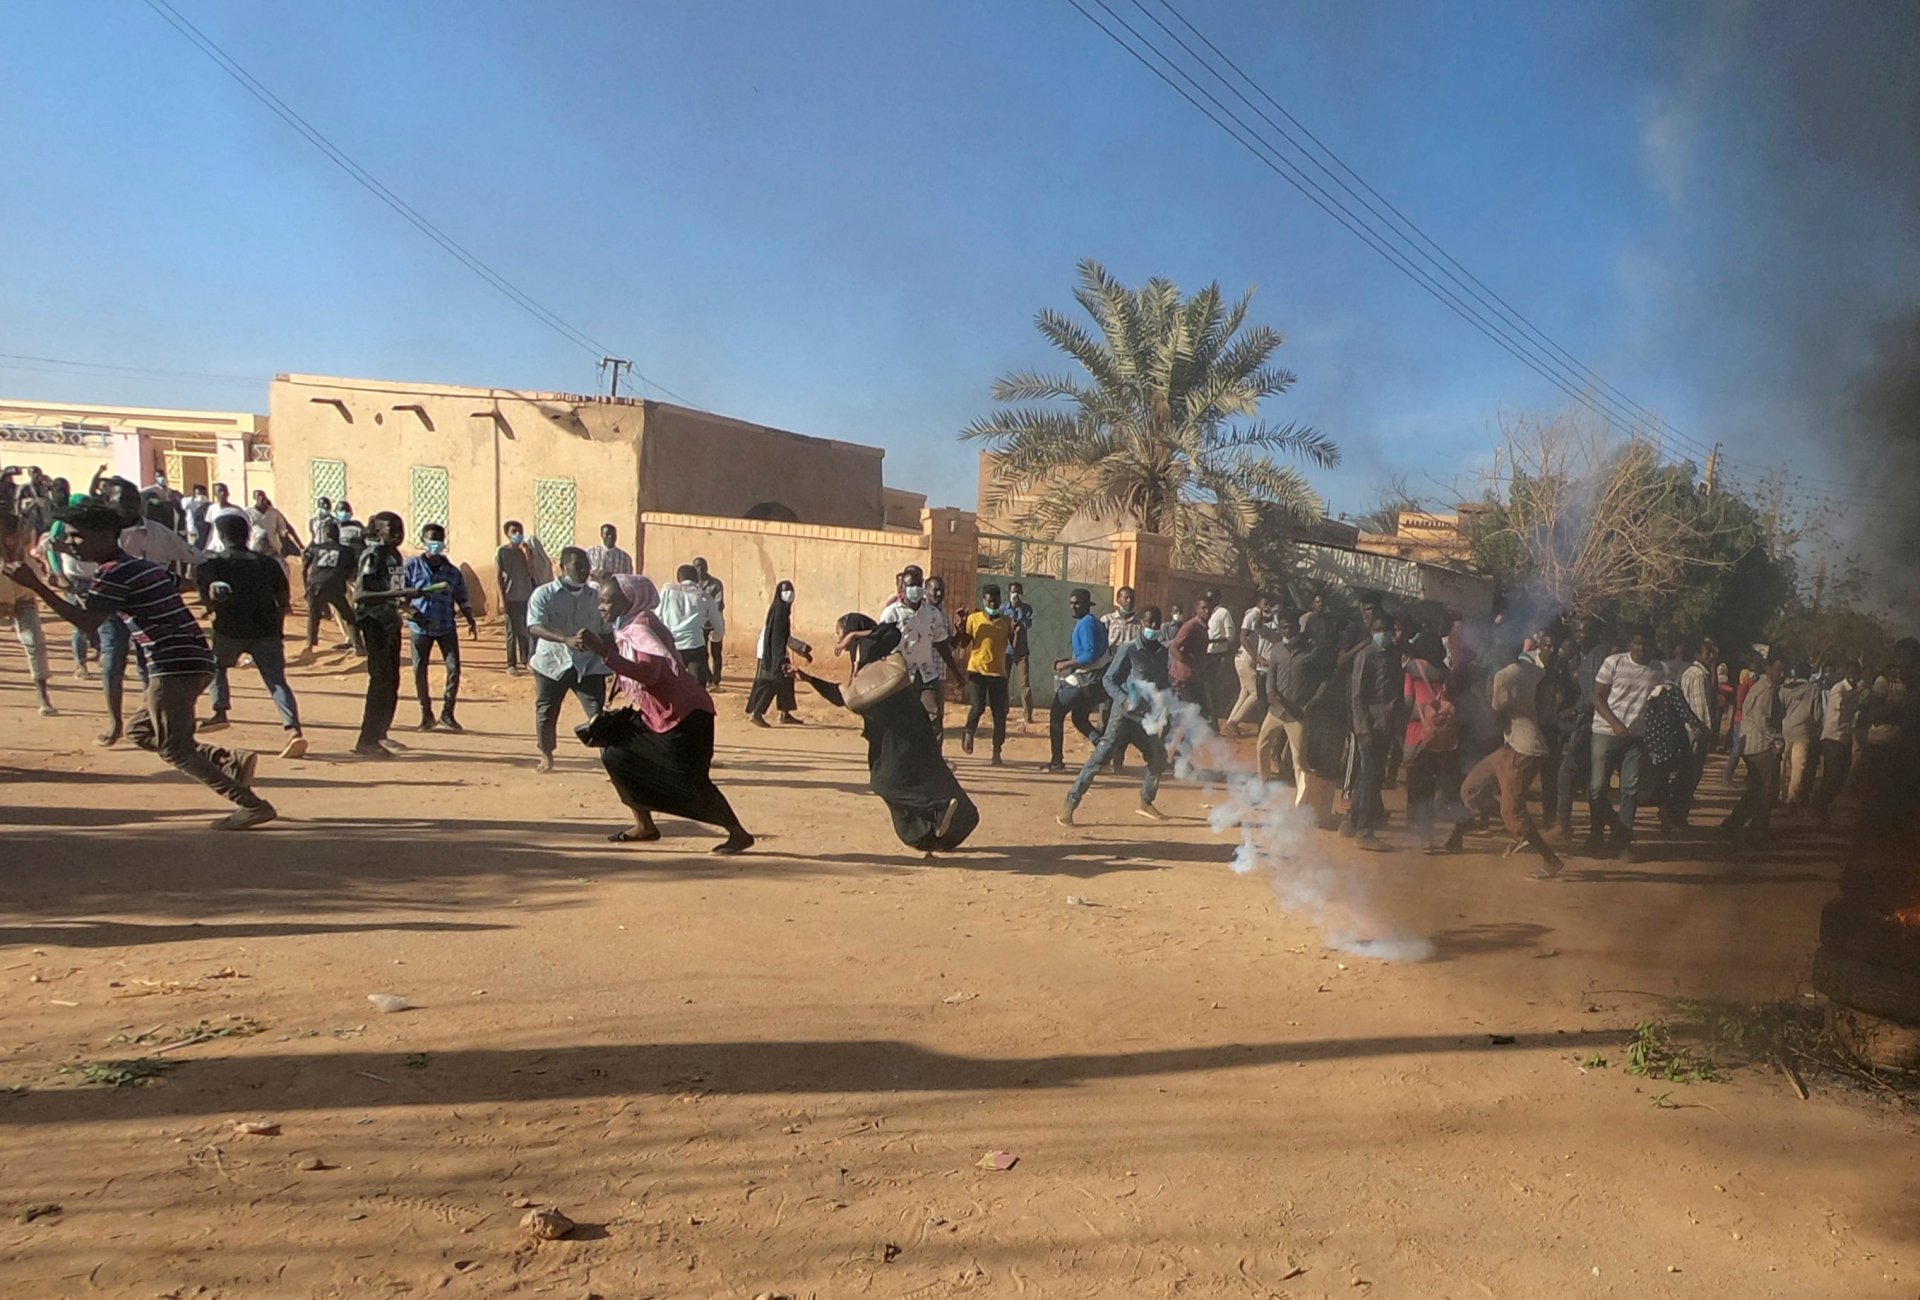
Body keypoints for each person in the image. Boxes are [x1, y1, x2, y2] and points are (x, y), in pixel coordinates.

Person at [5, 501, 275, 828]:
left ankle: (251, 804)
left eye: (78, 537)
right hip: (191, 658)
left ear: (105, 536)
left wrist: (36, 586)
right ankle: (226, 761)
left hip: (172, 662)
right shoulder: (137, 566)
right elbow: (180, 583)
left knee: (174, 750)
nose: (71, 543)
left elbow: (88, 621)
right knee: (140, 730)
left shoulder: (114, 574)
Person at [580, 575, 754, 854]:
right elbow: (630, 662)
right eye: (601, 600)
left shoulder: (643, 626)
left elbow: (650, 673)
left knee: (691, 781)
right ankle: (644, 825)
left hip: (686, 715)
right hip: (659, 715)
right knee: (616, 753)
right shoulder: (627, 626)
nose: (601, 606)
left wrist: (602, 652)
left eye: (607, 600)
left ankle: (737, 833)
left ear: (630, 600)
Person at [794, 614, 978, 852]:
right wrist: (809, 679)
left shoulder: (875, 648)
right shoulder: (862, 663)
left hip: (904, 733)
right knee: (921, 780)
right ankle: (945, 832)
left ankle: (940, 809)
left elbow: (891, 632)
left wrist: (856, 635)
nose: (839, 639)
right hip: (894, 734)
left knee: (885, 783)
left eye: (840, 632)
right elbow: (845, 698)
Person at [1441, 645, 1563, 877]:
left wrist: (1484, 689)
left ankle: (1550, 859)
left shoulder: (1503, 676)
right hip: (1512, 745)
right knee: (1471, 789)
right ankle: (1513, 826)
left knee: (1512, 812)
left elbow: (1495, 709)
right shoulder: (1529, 669)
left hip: (1524, 749)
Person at [195, 512, 306, 757]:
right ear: (247, 534)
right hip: (266, 630)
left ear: (222, 536)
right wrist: (277, 628)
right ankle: (293, 730)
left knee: (217, 667)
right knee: (277, 682)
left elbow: (206, 595)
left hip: (229, 629)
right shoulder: (267, 563)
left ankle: (220, 711)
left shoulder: (214, 562)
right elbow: (283, 599)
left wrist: (213, 609)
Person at [1059, 605, 1173, 825]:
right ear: (1141, 623)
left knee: (1157, 757)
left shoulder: (1161, 653)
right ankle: (1070, 803)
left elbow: (1162, 683)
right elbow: (1108, 680)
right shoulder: (1128, 650)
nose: (1153, 627)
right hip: (1122, 718)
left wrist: (1165, 704)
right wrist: (1124, 700)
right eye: (1149, 623)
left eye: (1157, 624)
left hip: (1144, 719)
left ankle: (1146, 801)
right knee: (1099, 759)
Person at [527, 546, 609, 773]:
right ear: (562, 567)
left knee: (598, 714)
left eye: (586, 566)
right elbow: (534, 626)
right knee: (547, 710)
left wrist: (610, 656)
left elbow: (605, 629)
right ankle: (546, 754)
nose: (584, 570)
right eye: (578, 566)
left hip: (589, 665)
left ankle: (610, 761)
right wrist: (565, 639)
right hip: (552, 663)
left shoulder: (595, 595)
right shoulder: (543, 594)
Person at [1588, 624, 1667, 860]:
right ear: (1629, 643)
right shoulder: (1614, 663)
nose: (1641, 648)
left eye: (1645, 643)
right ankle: (1601, 832)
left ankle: (1623, 843)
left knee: (1630, 791)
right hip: (1605, 731)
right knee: (1596, 789)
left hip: (1637, 738)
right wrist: (1615, 724)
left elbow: (1657, 702)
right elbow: (1597, 696)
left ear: (1653, 645)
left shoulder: (1659, 670)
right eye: (1637, 642)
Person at [350, 511, 422, 759]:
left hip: (390, 623)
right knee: (380, 679)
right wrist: (396, 596)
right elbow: (361, 595)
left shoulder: (395, 556)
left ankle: (380, 733)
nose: (398, 533)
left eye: (400, 528)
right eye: (391, 529)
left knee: (392, 681)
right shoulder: (374, 555)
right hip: (373, 622)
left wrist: (411, 609)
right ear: (378, 530)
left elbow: (397, 593)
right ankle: (366, 739)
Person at [874, 564, 966, 752]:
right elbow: (878, 643)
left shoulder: (932, 614)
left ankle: (933, 760)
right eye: (910, 586)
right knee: (900, 719)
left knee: (934, 717)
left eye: (917, 585)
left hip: (927, 674)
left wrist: (956, 673)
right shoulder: (892, 613)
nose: (914, 589)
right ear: (903, 588)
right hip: (900, 676)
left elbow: (942, 645)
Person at [405, 524, 477, 732]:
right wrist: (415, 615)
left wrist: (470, 619)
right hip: (420, 627)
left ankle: (448, 712)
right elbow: (402, 598)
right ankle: (425, 713)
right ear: (423, 541)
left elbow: (462, 598)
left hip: (446, 625)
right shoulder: (411, 567)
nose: (435, 544)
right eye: (431, 540)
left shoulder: (452, 572)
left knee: (454, 668)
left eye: (438, 540)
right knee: (420, 670)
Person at [1400, 630, 1459, 849]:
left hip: (1417, 730)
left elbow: (1408, 700)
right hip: (1439, 733)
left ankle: (1415, 825)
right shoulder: (1444, 670)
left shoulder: (1413, 667)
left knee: (1415, 779)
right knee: (1430, 782)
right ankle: (1426, 831)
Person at [1724, 651, 1788, 852]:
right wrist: (1776, 739)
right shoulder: (1767, 689)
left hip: (1750, 744)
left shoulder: (1760, 686)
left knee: (1756, 790)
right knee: (1768, 791)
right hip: (1760, 746)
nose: (1782, 674)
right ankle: (1756, 832)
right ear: (1769, 667)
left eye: (1784, 670)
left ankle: (1733, 825)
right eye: (1779, 669)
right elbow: (1762, 720)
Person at [1344, 612, 1398, 843]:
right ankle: (1364, 829)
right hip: (1369, 726)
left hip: (1386, 725)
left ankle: (1353, 821)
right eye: (1378, 630)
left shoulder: (1393, 656)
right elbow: (1357, 696)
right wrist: (1363, 729)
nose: (1382, 634)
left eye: (1386, 630)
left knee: (1370, 775)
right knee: (1370, 776)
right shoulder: (1365, 656)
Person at [1257, 614, 1321, 804]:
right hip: (1276, 710)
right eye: (1284, 627)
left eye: (1291, 626)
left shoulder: (1311, 651)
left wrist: (1313, 701)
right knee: (1262, 744)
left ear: (1297, 627)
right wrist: (1270, 693)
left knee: (1300, 759)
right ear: (1281, 629)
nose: (1288, 631)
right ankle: (1263, 784)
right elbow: (1271, 676)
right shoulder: (1277, 649)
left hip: (1297, 713)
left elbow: (1320, 679)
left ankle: (1301, 801)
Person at [1044, 587, 1109, 772]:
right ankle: (1104, 750)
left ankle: (1057, 761)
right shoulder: (1093, 622)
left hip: (1086, 678)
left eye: (1077, 603)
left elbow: (1089, 655)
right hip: (1095, 680)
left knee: (1056, 714)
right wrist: (1069, 661)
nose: (1073, 607)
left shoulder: (1086, 623)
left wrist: (1065, 664)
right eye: (1071, 603)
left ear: (1087, 605)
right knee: (1079, 718)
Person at [0, 510, 56, 716]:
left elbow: (36, 579)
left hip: (23, 600)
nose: (11, 540)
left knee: (35, 642)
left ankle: (43, 695)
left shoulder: (24, 554)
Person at [745, 579, 811, 726]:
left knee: (786, 680)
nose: (789, 594)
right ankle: (757, 712)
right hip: (771, 654)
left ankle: (785, 713)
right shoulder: (780, 611)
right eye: (786, 591)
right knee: (772, 682)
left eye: (791, 590)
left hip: (776, 651)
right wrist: (779, 659)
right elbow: (777, 637)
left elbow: (783, 636)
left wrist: (802, 649)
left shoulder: (780, 609)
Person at [1671, 637, 1720, 829]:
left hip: (1688, 730)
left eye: (1711, 652)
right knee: (1690, 774)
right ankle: (1676, 814)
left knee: (1687, 774)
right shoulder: (1698, 675)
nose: (1710, 656)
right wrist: (1706, 730)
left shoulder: (1695, 673)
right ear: (1697, 655)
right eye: (1706, 653)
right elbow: (1701, 708)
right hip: (1695, 731)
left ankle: (1675, 813)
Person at [961, 583, 1013, 763]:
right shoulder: (973, 619)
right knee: (978, 707)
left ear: (1000, 600)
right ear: (984, 600)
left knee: (1000, 713)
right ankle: (969, 732)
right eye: (989, 600)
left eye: (995, 600)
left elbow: (1017, 646)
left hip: (998, 674)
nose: (992, 603)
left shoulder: (1007, 622)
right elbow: (963, 644)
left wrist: (1020, 631)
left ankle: (997, 750)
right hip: (977, 671)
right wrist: (961, 627)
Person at [658, 563, 727, 685]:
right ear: (697, 579)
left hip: (672, 647)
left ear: (679, 579)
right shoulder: (704, 596)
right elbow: (718, 626)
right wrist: (715, 637)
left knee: (671, 687)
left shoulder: (667, 592)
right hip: (695, 646)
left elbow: (658, 616)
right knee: (697, 691)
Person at [1814, 661, 1863, 825]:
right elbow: (1840, 707)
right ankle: (1819, 806)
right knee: (1832, 775)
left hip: (1845, 738)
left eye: (1856, 673)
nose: (1853, 676)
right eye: (1850, 672)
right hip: (1832, 737)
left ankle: (1821, 804)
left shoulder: (1855, 690)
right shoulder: (1839, 689)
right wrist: (1857, 694)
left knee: (1841, 777)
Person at [301, 520, 357, 652]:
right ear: (338, 534)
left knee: (313, 616)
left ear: (326, 534)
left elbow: (303, 568)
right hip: (335, 586)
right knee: (348, 615)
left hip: (315, 586)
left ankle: (309, 645)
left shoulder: (315, 548)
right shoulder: (347, 551)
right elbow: (351, 571)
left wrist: (306, 587)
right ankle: (358, 644)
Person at [1227, 593, 1278, 734]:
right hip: (1246, 658)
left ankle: (1231, 721)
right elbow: (1243, 637)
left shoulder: (1258, 615)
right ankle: (1234, 721)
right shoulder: (1253, 614)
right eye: (1265, 603)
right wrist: (1256, 656)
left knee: (1244, 692)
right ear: (1259, 603)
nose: (1268, 606)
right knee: (1256, 693)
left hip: (1244, 658)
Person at [1779, 662, 1824, 810]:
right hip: (1803, 733)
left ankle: (1779, 793)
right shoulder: (1814, 690)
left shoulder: (1784, 690)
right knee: (1798, 767)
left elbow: (1779, 710)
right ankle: (1792, 798)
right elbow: (1817, 715)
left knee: (1782, 764)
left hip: (1785, 730)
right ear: (1809, 674)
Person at [496, 520, 537, 676]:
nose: (518, 534)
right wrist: (501, 599)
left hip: (525, 595)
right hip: (510, 596)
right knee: (511, 631)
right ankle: (511, 664)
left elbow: (532, 573)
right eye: (514, 532)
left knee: (526, 630)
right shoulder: (502, 552)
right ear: (507, 534)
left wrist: (527, 555)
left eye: (520, 531)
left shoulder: (526, 551)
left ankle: (526, 660)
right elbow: (498, 577)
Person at [1169, 593, 1214, 721]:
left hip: (1195, 677)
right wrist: (1189, 663)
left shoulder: (1203, 627)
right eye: (1203, 608)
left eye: (1209, 608)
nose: (1207, 611)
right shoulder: (1190, 626)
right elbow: (1173, 648)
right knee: (1188, 714)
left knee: (1198, 713)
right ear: (1197, 610)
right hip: (1183, 678)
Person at [1205, 588, 1236, 730]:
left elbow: (1230, 635)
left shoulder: (1223, 613)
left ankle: (1214, 723)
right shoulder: (1206, 613)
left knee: (1212, 689)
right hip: (1204, 654)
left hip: (1216, 655)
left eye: (1211, 599)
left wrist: (1212, 641)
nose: (1209, 602)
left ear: (1218, 599)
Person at [1006, 581, 1036, 723]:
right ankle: (1002, 711)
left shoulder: (1027, 609)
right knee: (1002, 682)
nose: (1015, 595)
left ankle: (1027, 714)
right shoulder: (1003, 609)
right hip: (1006, 651)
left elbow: (1027, 624)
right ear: (1009, 593)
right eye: (1013, 592)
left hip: (1022, 651)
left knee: (1024, 684)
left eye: (1017, 592)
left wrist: (1018, 609)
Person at [694, 556, 726, 686]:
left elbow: (719, 604)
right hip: (699, 625)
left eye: (702, 566)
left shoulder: (715, 584)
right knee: (702, 653)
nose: (700, 569)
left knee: (716, 652)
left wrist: (707, 614)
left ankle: (717, 677)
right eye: (697, 566)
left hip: (714, 623)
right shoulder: (693, 586)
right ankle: (708, 676)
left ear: (707, 567)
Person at [250, 490, 301, 559]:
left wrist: (288, 536)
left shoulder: (274, 512)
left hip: (272, 550)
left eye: (263, 496)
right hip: (255, 550)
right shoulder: (249, 513)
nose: (261, 498)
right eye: (259, 497)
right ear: (255, 499)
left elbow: (284, 528)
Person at [203, 483, 249, 554]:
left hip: (231, 547)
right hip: (216, 546)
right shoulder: (212, 509)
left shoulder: (237, 510)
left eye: (225, 491)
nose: (223, 493)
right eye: (220, 491)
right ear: (215, 494)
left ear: (228, 493)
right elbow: (210, 528)